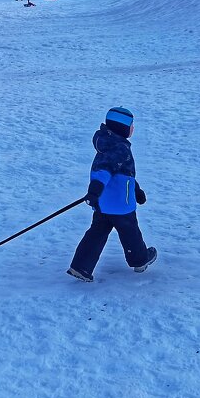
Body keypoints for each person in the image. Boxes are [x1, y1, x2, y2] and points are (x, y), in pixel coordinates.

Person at [68, 107, 156, 282]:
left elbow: (124, 175)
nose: (133, 128)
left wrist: (136, 191)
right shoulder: (119, 149)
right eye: (131, 125)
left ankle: (81, 266)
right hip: (120, 205)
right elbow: (104, 172)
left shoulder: (107, 144)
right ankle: (139, 260)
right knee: (131, 233)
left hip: (103, 203)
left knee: (96, 233)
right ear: (123, 128)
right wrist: (94, 190)